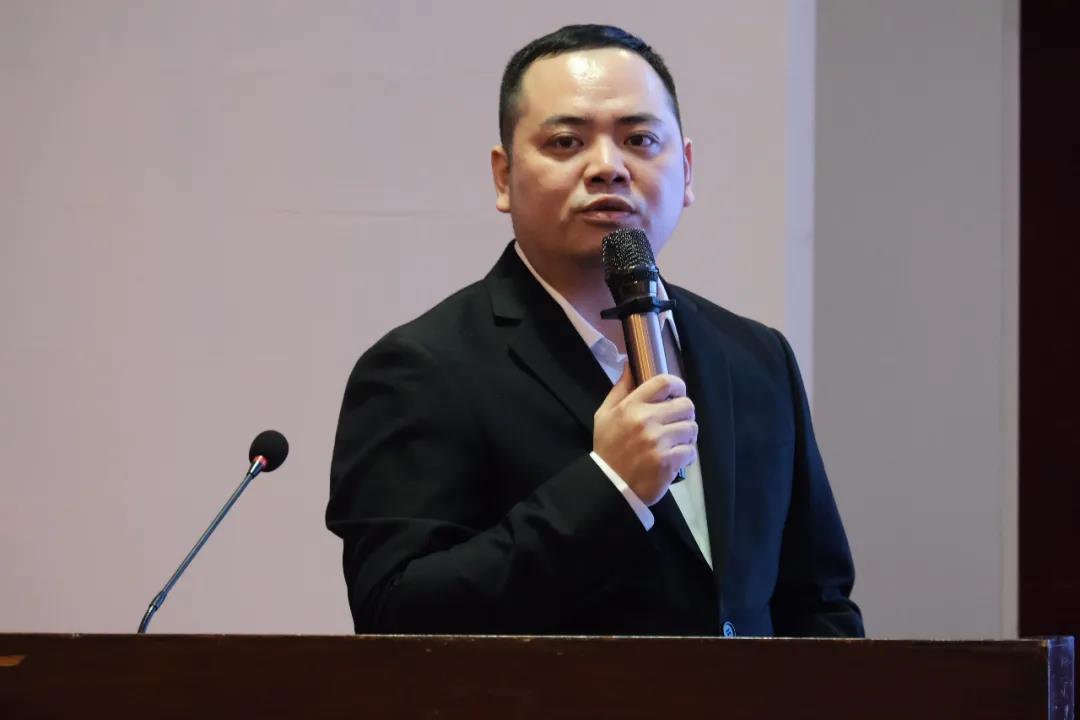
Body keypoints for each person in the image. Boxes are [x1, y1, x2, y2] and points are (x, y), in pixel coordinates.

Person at [326, 24, 863, 637]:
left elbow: (817, 604)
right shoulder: (421, 368)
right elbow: (396, 614)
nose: (608, 168)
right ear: (503, 176)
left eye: (639, 139)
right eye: (566, 142)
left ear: (686, 169)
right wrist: (610, 487)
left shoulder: (755, 356)